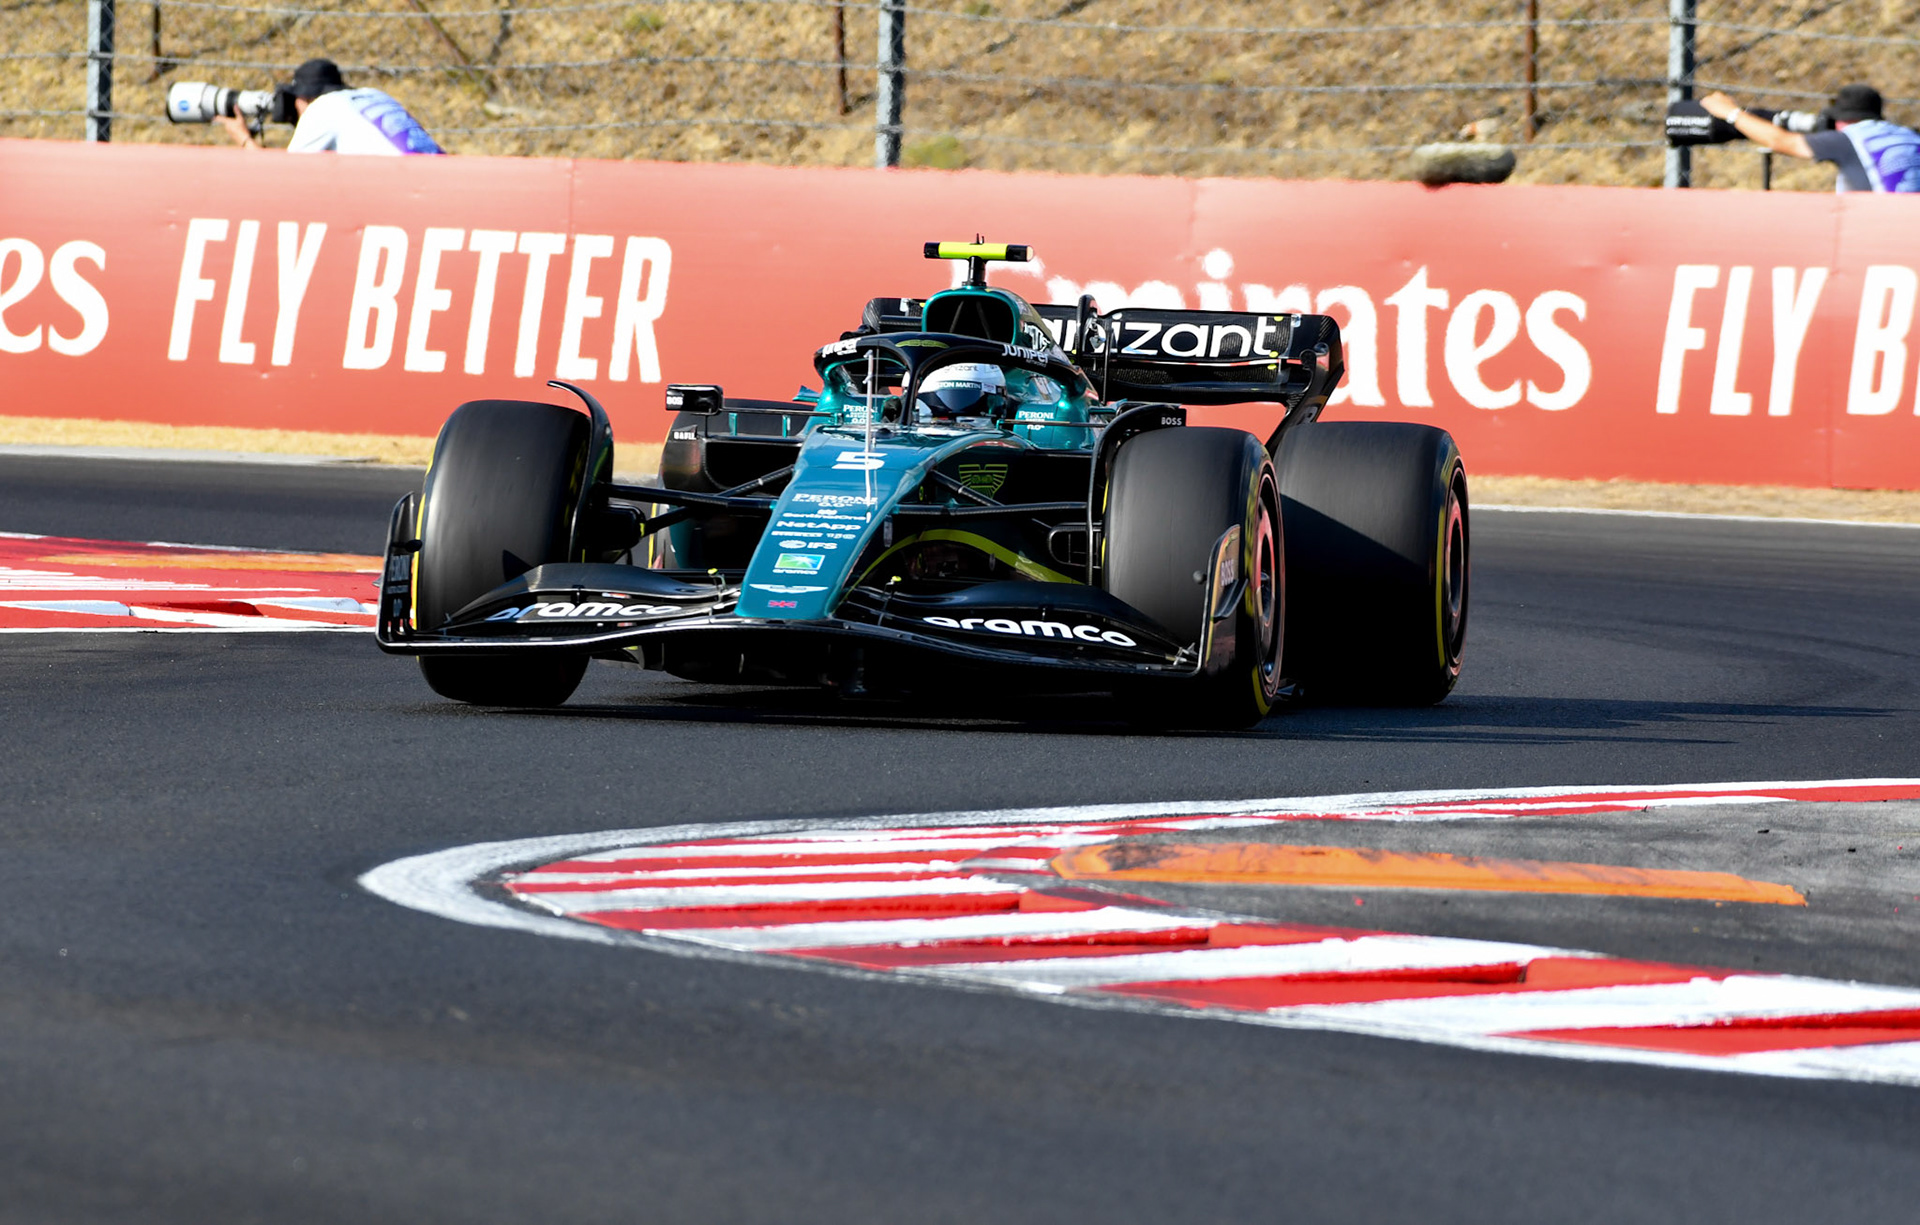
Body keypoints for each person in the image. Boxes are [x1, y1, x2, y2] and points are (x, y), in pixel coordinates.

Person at [1700, 84, 1920, 192]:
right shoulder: (1908, 135)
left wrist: (1730, 112)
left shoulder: (1848, 139)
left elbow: (1781, 141)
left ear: (1841, 120)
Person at [219, 58, 443, 155]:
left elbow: (283, 179)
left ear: (302, 100)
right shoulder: (373, 94)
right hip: (444, 175)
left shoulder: (322, 108)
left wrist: (243, 139)